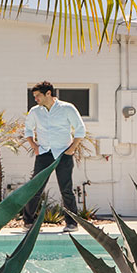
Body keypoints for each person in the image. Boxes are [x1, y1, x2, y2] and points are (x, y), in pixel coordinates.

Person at [22, 81, 87, 231]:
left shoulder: (67, 108)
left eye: (38, 95)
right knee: (35, 188)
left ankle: (71, 223)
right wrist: (34, 146)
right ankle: (28, 222)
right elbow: (28, 130)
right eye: (34, 96)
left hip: (64, 153)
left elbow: (80, 129)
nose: (36, 99)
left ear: (48, 94)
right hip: (44, 153)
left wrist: (71, 149)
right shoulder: (35, 111)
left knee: (66, 189)